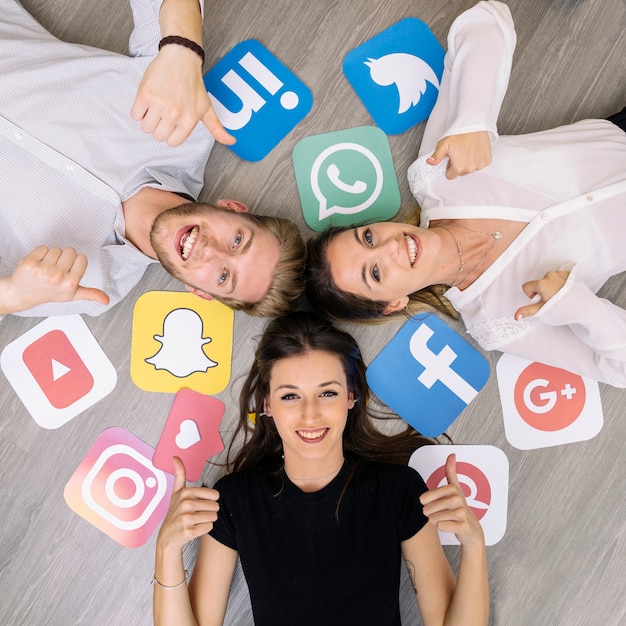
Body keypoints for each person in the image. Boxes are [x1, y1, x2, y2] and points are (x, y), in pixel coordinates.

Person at [305, 1, 626, 386]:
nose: (389, 247)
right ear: (394, 303)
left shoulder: (436, 172)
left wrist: (473, 120)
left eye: (368, 236)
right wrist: (578, 306)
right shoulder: (498, 322)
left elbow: (487, 19)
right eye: (375, 272)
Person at [153, 311, 489, 626]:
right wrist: (166, 549)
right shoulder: (236, 500)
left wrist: (473, 545)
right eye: (290, 396)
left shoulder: (397, 489)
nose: (310, 415)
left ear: (351, 397)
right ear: (267, 404)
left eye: (327, 393)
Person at [0, 0, 304, 319]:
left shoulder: (88, 286)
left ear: (200, 292)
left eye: (224, 276)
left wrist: (10, 298)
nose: (209, 251)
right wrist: (182, 48)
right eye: (237, 240)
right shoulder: (184, 126)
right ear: (232, 208)